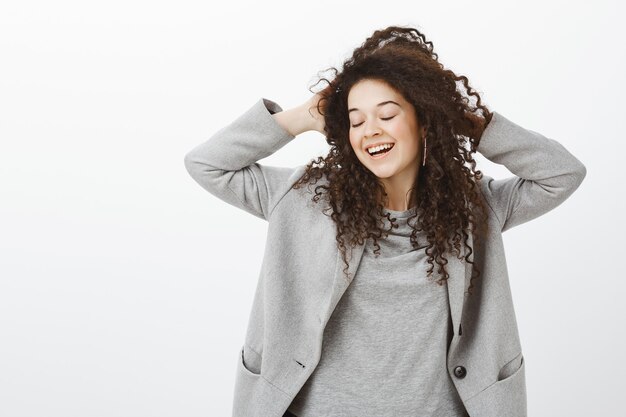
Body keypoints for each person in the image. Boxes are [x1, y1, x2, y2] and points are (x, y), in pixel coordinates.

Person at [184, 25, 586, 417]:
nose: (370, 130)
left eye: (387, 114)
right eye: (355, 120)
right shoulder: (303, 197)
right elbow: (207, 165)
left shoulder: (476, 205)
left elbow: (562, 174)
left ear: (423, 120)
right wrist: (304, 116)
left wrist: (472, 124)